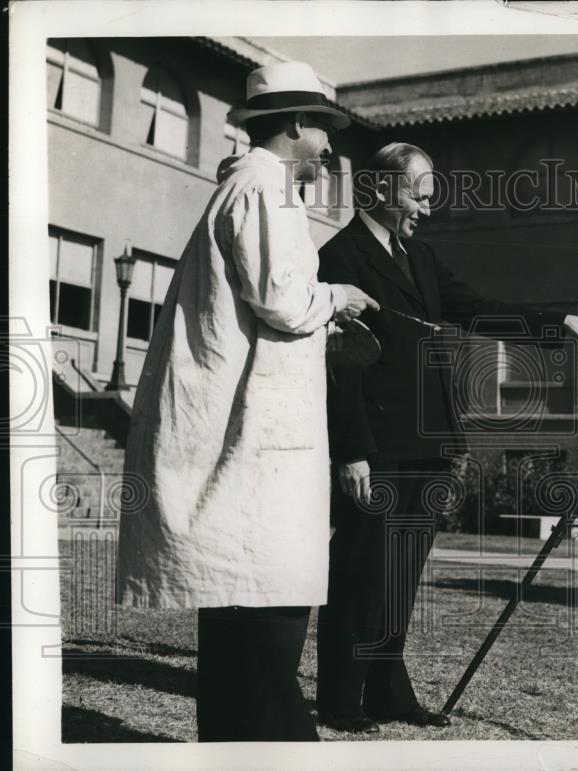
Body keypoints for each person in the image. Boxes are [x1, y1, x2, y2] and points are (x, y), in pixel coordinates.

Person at [116, 62, 378, 742]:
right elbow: (285, 301)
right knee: (265, 626)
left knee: (241, 638)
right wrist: (338, 298)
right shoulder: (267, 189)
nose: (329, 146)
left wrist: (322, 314)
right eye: (324, 129)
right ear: (296, 125)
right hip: (258, 453)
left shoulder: (251, 187)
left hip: (256, 441)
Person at [315, 142, 578, 733]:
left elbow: (478, 309)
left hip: (429, 444)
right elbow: (338, 362)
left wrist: (558, 322)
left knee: (401, 575)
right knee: (360, 571)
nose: (425, 208)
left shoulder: (420, 258)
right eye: (419, 195)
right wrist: (350, 449)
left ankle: (389, 693)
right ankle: (341, 700)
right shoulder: (337, 257)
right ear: (383, 189)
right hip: (376, 448)